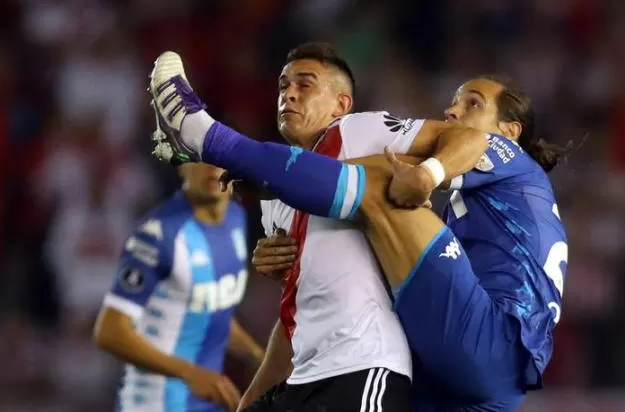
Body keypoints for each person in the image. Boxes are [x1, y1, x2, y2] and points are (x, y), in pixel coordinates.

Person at [149, 51, 568, 412]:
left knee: (390, 187)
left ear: (510, 130)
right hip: (479, 379)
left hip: (490, 340)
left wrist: (265, 172)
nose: (453, 114)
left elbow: (392, 174)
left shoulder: (506, 154)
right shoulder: (484, 209)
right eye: (454, 104)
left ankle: (204, 135)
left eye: (472, 104)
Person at [196, 42, 487, 412]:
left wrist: (429, 175)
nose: (289, 94)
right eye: (283, 86)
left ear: (341, 105)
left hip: (364, 365)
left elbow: (469, 139)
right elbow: (296, 318)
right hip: (304, 375)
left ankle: (198, 130)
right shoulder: (272, 194)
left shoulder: (359, 130)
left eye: (305, 85)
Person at [93, 162, 264, 412]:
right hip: (154, 403)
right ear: (182, 167)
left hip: (206, 401)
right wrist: (188, 372)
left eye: (220, 159)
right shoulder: (159, 234)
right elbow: (110, 331)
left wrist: (259, 359)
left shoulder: (236, 219)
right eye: (200, 158)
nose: (212, 169)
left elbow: (213, 312)